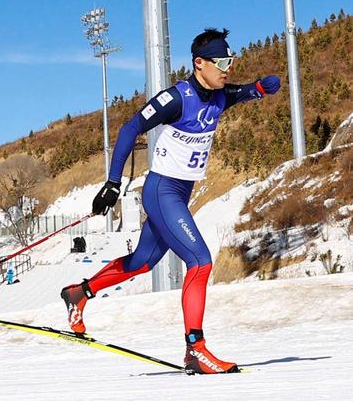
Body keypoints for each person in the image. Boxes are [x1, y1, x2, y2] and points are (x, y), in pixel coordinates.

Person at [61, 28, 280, 374]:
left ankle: (79, 293)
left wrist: (263, 88)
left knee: (142, 263)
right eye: (221, 61)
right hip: (162, 192)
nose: (228, 68)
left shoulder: (221, 95)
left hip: (179, 194)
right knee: (201, 261)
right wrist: (113, 184)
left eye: (231, 60)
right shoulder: (176, 99)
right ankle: (196, 349)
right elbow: (130, 128)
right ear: (199, 63)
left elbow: (249, 90)